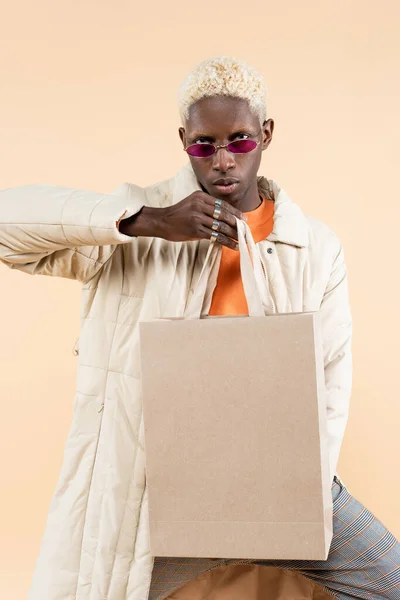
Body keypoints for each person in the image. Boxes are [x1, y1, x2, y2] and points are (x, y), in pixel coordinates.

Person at [0, 56, 398, 600]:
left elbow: (330, 379)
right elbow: (7, 223)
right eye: (204, 145)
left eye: (239, 141)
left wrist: (297, 490)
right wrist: (150, 221)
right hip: (160, 491)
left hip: (278, 482)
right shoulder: (136, 227)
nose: (222, 162)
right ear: (184, 140)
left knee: (387, 578)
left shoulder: (316, 247)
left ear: (266, 136)